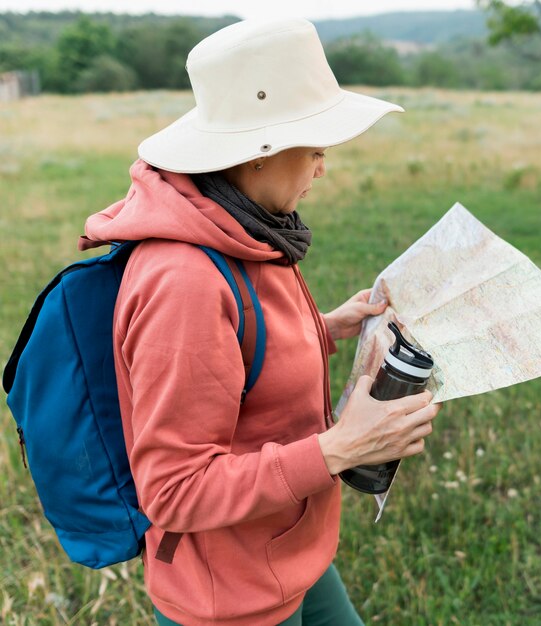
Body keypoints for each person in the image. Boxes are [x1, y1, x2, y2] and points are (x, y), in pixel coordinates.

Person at [80, 18, 440, 626]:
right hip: (229, 593)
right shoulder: (186, 280)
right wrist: (340, 449)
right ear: (259, 154)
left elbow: (233, 361)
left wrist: (328, 327)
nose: (322, 169)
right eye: (318, 150)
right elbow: (173, 490)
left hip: (282, 551)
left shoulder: (242, 228)